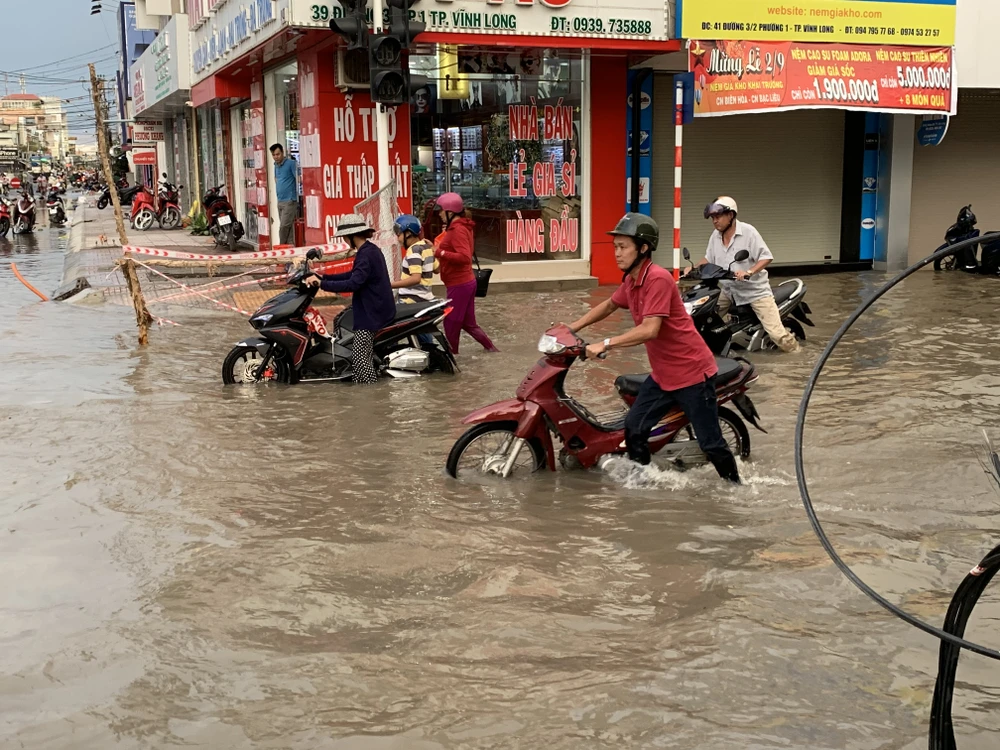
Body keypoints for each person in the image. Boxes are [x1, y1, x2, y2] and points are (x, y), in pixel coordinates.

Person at [567, 213, 741, 484]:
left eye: (623, 247)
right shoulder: (632, 280)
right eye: (615, 247)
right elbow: (610, 305)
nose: (617, 253)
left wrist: (606, 343)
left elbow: (650, 330)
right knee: (634, 428)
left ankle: (736, 490)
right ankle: (642, 484)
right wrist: (573, 327)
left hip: (692, 376)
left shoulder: (657, 279)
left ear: (643, 248)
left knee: (711, 443)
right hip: (663, 376)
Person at [687, 196, 800, 353]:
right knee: (701, 318)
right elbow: (709, 258)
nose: (715, 221)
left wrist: (749, 272)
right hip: (728, 291)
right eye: (713, 217)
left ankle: (798, 355)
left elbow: (766, 257)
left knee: (777, 334)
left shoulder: (749, 232)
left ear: (731, 215)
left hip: (755, 292)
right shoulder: (715, 236)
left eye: (718, 216)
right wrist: (692, 268)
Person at [304, 214, 395, 384]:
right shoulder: (368, 251)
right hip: (372, 309)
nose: (345, 241)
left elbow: (353, 283)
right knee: (360, 356)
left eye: (345, 237)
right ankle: (363, 393)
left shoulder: (366, 254)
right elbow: (351, 275)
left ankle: (371, 393)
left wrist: (322, 284)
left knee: (360, 356)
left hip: (372, 313)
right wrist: (322, 277)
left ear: (353, 236)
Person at [433, 193, 498, 354]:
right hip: (465, 282)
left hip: (459, 283)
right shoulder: (461, 227)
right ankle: (492, 349)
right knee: (468, 324)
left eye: (441, 210)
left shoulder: (457, 230)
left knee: (451, 322)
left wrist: (439, 253)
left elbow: (464, 257)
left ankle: (453, 357)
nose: (439, 214)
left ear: (450, 212)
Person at [392, 214, 438, 305]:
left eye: (399, 234)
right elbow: (437, 269)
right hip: (425, 298)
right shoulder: (426, 247)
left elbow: (416, 278)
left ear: (408, 233)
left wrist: (389, 285)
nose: (398, 238)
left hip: (411, 299)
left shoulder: (413, 250)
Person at [270, 143, 298, 246]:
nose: (276, 157)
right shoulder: (275, 165)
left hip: (290, 201)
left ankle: (281, 247)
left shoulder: (291, 164)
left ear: (282, 153)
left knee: (283, 227)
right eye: (273, 155)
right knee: (288, 228)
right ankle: (290, 251)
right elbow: (276, 179)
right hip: (280, 201)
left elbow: (298, 179)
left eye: (277, 154)